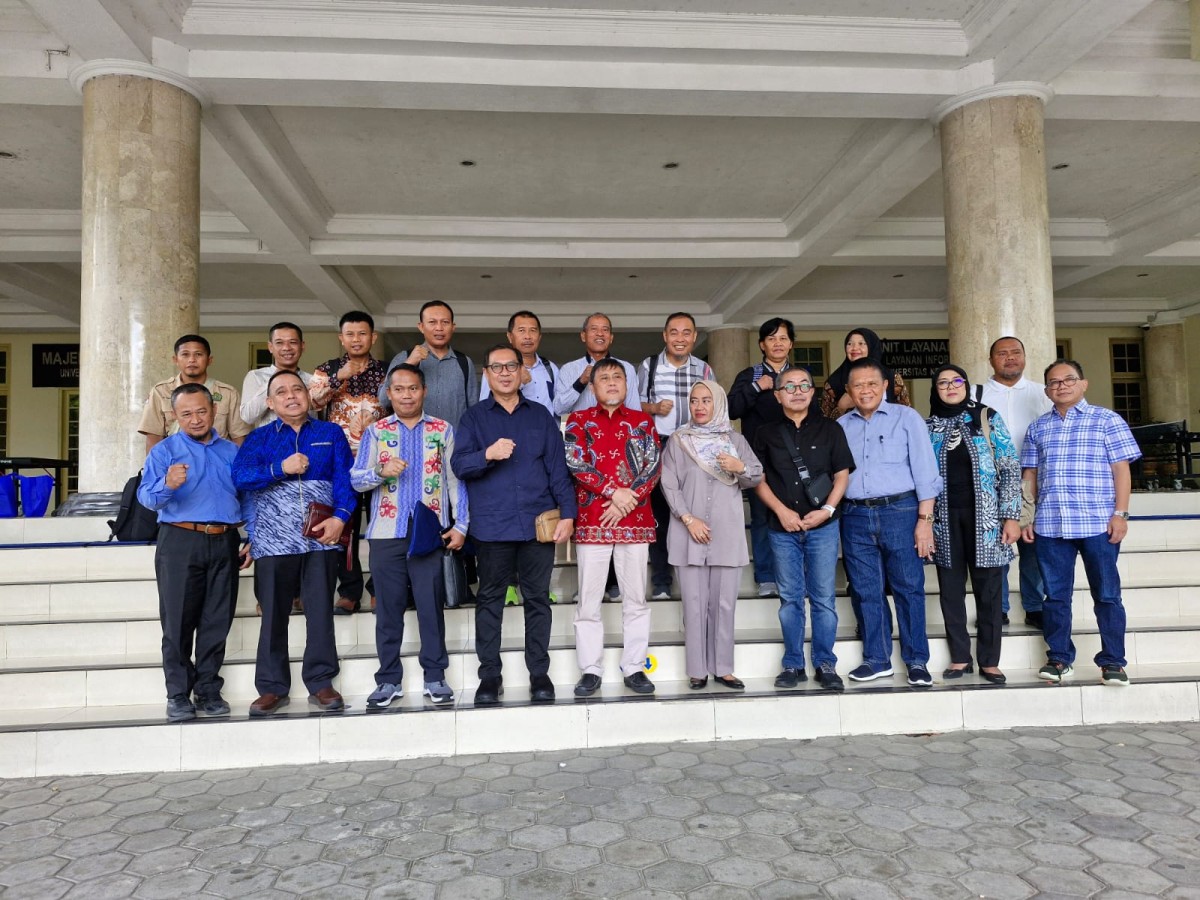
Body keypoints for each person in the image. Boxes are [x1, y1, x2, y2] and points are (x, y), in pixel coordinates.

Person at [453, 344, 577, 705]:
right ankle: (489, 676)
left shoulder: (540, 416)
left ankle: (539, 673)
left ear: (523, 373)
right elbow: (460, 465)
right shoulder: (474, 418)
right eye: (497, 367)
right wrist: (487, 454)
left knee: (537, 599)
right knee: (490, 600)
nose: (505, 373)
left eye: (511, 366)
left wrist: (568, 514)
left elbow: (558, 470)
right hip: (492, 526)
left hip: (538, 524)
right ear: (487, 374)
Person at [232, 370, 355, 716]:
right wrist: (279, 468)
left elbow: (345, 479)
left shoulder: (330, 433)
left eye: (297, 389)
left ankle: (321, 681)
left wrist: (340, 518)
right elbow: (240, 477)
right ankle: (272, 687)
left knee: (320, 611)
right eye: (282, 392)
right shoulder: (258, 438)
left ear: (308, 395)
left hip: (320, 536)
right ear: (270, 403)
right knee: (273, 614)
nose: (291, 396)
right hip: (273, 539)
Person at [350, 364, 469, 708]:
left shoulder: (443, 430)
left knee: (430, 607)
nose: (406, 395)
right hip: (386, 533)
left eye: (413, 388)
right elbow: (356, 480)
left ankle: (435, 676)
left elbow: (455, 481)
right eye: (399, 389)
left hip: (429, 532)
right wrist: (380, 471)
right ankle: (388, 679)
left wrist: (461, 524)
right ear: (389, 393)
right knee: (388, 610)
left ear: (424, 391)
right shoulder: (376, 432)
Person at [138, 384, 253, 722]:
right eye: (186, 413)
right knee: (177, 621)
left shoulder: (232, 452)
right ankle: (177, 694)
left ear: (214, 411)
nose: (195, 419)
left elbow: (247, 498)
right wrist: (168, 484)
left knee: (217, 620)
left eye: (202, 411)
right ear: (175, 416)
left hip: (224, 540)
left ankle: (208, 690)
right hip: (180, 541)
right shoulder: (165, 451)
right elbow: (147, 498)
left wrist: (253, 537)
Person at [1022, 360, 1141, 687]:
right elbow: (1030, 475)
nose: (1061, 386)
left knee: (1107, 595)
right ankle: (1059, 659)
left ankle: (1113, 662)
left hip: (1098, 524)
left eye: (1068, 379)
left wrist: (1121, 514)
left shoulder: (1106, 420)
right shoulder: (1038, 427)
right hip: (1050, 525)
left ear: (1083, 384)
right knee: (1055, 597)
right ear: (1047, 390)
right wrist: (1026, 516)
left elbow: (1121, 470)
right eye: (1053, 382)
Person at [837, 358, 941, 687]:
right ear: (848, 390)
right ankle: (877, 659)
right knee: (866, 590)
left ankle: (917, 661)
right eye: (858, 385)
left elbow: (926, 473)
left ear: (884, 386)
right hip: (854, 515)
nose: (865, 390)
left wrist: (925, 521)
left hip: (901, 511)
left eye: (872, 383)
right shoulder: (841, 426)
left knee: (909, 588)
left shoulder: (907, 418)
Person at [565, 358, 661, 696]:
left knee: (635, 599)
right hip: (594, 520)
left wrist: (625, 500)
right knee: (588, 602)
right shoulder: (578, 421)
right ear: (592, 387)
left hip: (634, 520)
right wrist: (613, 492)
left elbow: (653, 466)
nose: (610, 382)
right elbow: (576, 463)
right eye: (603, 378)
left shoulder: (642, 421)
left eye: (617, 377)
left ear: (626, 384)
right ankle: (590, 669)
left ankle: (634, 667)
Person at [753, 367, 853, 692]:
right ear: (777, 395)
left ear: (812, 392)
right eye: (789, 386)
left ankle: (825, 663)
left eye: (803, 385)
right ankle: (793, 664)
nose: (797, 391)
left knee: (823, 598)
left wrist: (827, 511)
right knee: (790, 599)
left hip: (823, 527)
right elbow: (758, 480)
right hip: (782, 528)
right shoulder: (765, 433)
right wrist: (781, 511)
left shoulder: (831, 429)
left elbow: (841, 475)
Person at [659, 380, 761, 690]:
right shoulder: (679, 441)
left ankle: (723, 668)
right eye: (694, 400)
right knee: (694, 604)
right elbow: (669, 484)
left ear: (718, 404)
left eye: (706, 400)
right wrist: (688, 519)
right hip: (688, 532)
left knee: (724, 604)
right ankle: (697, 670)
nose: (699, 406)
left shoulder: (735, 440)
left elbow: (756, 475)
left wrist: (739, 466)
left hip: (726, 533)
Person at [926, 364, 1021, 685]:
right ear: (935, 390)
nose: (950, 386)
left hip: (988, 519)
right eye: (943, 383)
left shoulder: (986, 417)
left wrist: (1011, 516)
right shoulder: (928, 426)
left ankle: (990, 661)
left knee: (989, 590)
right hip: (943, 519)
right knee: (950, 590)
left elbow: (1009, 467)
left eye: (957, 381)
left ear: (966, 385)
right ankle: (960, 657)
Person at [309, 311, 387, 615]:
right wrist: (338, 378)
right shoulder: (326, 369)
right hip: (340, 463)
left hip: (378, 462)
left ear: (373, 337)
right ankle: (349, 591)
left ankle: (379, 588)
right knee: (346, 526)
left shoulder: (386, 371)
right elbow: (312, 402)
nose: (357, 340)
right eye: (350, 334)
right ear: (341, 338)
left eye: (363, 334)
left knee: (382, 525)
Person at [637, 312, 714, 601]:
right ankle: (661, 581)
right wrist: (654, 409)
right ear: (665, 336)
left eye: (686, 333)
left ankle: (696, 581)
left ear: (694, 337)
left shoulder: (704, 369)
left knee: (693, 512)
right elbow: (633, 406)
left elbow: (715, 407)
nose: (680, 338)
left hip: (694, 447)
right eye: (674, 332)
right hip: (658, 445)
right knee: (659, 514)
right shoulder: (649, 366)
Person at [978, 336, 1054, 628]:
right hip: (991, 482)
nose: (1009, 358)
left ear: (1024, 356)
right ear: (991, 360)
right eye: (1002, 353)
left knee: (1032, 544)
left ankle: (1034, 606)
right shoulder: (976, 394)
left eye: (1015, 352)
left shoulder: (1042, 393)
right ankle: (997, 608)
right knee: (996, 544)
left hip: (1034, 478)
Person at [728, 317, 796, 597]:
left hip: (795, 460)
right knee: (762, 517)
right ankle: (766, 577)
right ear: (761, 345)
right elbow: (731, 409)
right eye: (771, 338)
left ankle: (792, 575)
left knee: (795, 514)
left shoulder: (798, 377)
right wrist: (757, 388)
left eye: (783, 338)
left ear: (791, 344)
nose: (777, 343)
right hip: (759, 460)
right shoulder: (750, 375)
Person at [139, 334, 250, 453]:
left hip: (216, 459)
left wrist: (240, 464)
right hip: (175, 459)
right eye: (185, 354)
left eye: (198, 354)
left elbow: (239, 437)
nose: (192, 360)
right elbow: (154, 438)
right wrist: (156, 464)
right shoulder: (160, 391)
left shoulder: (228, 393)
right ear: (175, 360)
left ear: (209, 360)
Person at [381, 300, 478, 427]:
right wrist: (408, 364)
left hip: (454, 438)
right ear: (421, 327)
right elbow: (383, 400)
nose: (439, 328)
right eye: (432, 322)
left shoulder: (464, 362)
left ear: (453, 327)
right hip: (414, 437)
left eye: (445, 322)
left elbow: (474, 410)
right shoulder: (404, 357)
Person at [553, 313, 640, 417]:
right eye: (594, 329)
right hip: (581, 427)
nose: (600, 333)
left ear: (611, 338)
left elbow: (635, 413)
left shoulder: (627, 369)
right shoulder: (568, 369)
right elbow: (558, 410)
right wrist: (580, 383)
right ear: (583, 336)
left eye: (605, 329)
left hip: (618, 427)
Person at [480, 310, 559, 416]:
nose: (528, 336)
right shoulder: (496, 369)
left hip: (545, 426)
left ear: (539, 337)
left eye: (533, 330)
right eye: (521, 330)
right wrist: (519, 383)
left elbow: (559, 407)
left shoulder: (550, 368)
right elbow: (486, 407)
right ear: (510, 336)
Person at [821, 327, 911, 418]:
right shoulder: (834, 382)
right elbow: (824, 422)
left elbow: (906, 414)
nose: (854, 348)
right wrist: (841, 407)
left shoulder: (891, 377)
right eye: (850, 344)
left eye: (861, 343)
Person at [241, 322, 313, 429]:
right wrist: (275, 380)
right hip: (270, 439)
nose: (286, 348)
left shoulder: (312, 380)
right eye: (279, 343)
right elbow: (247, 417)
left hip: (308, 438)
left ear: (302, 346)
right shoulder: (256, 376)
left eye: (293, 342)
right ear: (270, 347)